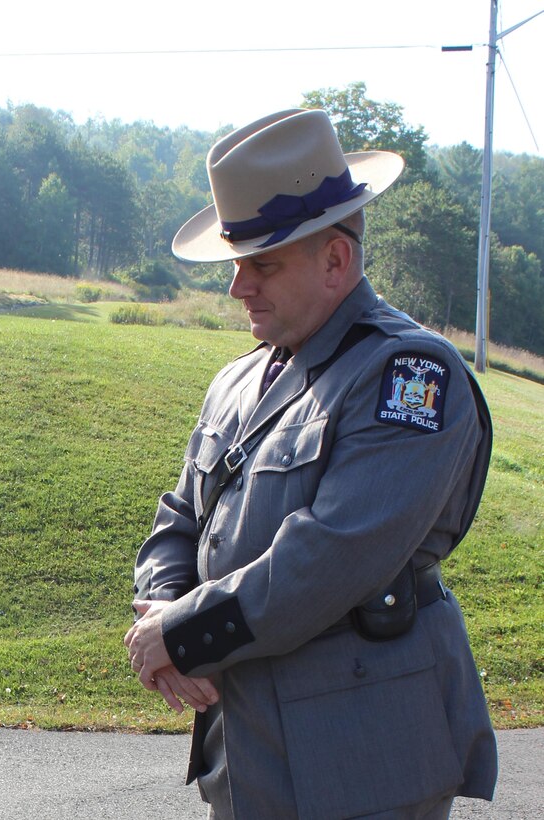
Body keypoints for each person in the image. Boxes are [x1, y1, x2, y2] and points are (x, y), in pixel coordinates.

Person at [124, 109, 496, 819]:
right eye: (235, 265)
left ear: (335, 260)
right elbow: (178, 516)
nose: (238, 288)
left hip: (362, 756)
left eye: (261, 265)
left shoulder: (407, 374)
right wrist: (163, 602)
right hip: (248, 747)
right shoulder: (237, 380)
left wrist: (179, 636)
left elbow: (331, 555)